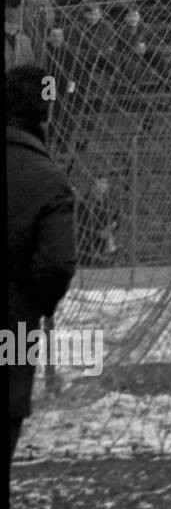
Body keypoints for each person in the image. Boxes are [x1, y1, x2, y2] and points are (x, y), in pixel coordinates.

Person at [7, 66, 77, 482]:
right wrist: (35, 304)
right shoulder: (48, 179)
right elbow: (56, 265)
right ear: (45, 117)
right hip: (15, 324)